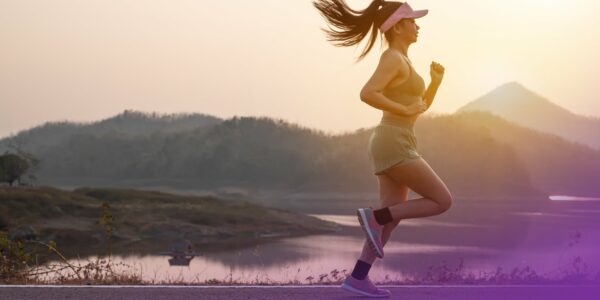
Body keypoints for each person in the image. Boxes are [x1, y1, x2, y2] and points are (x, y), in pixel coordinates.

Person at [313, 0, 453, 297]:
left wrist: (434, 84)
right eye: (413, 20)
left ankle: (357, 278)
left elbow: (417, 108)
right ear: (399, 26)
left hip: (397, 139)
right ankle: (376, 217)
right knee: (442, 200)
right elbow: (368, 93)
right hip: (393, 140)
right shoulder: (392, 58)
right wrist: (403, 109)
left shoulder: (403, 60)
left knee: (392, 217)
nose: (418, 25)